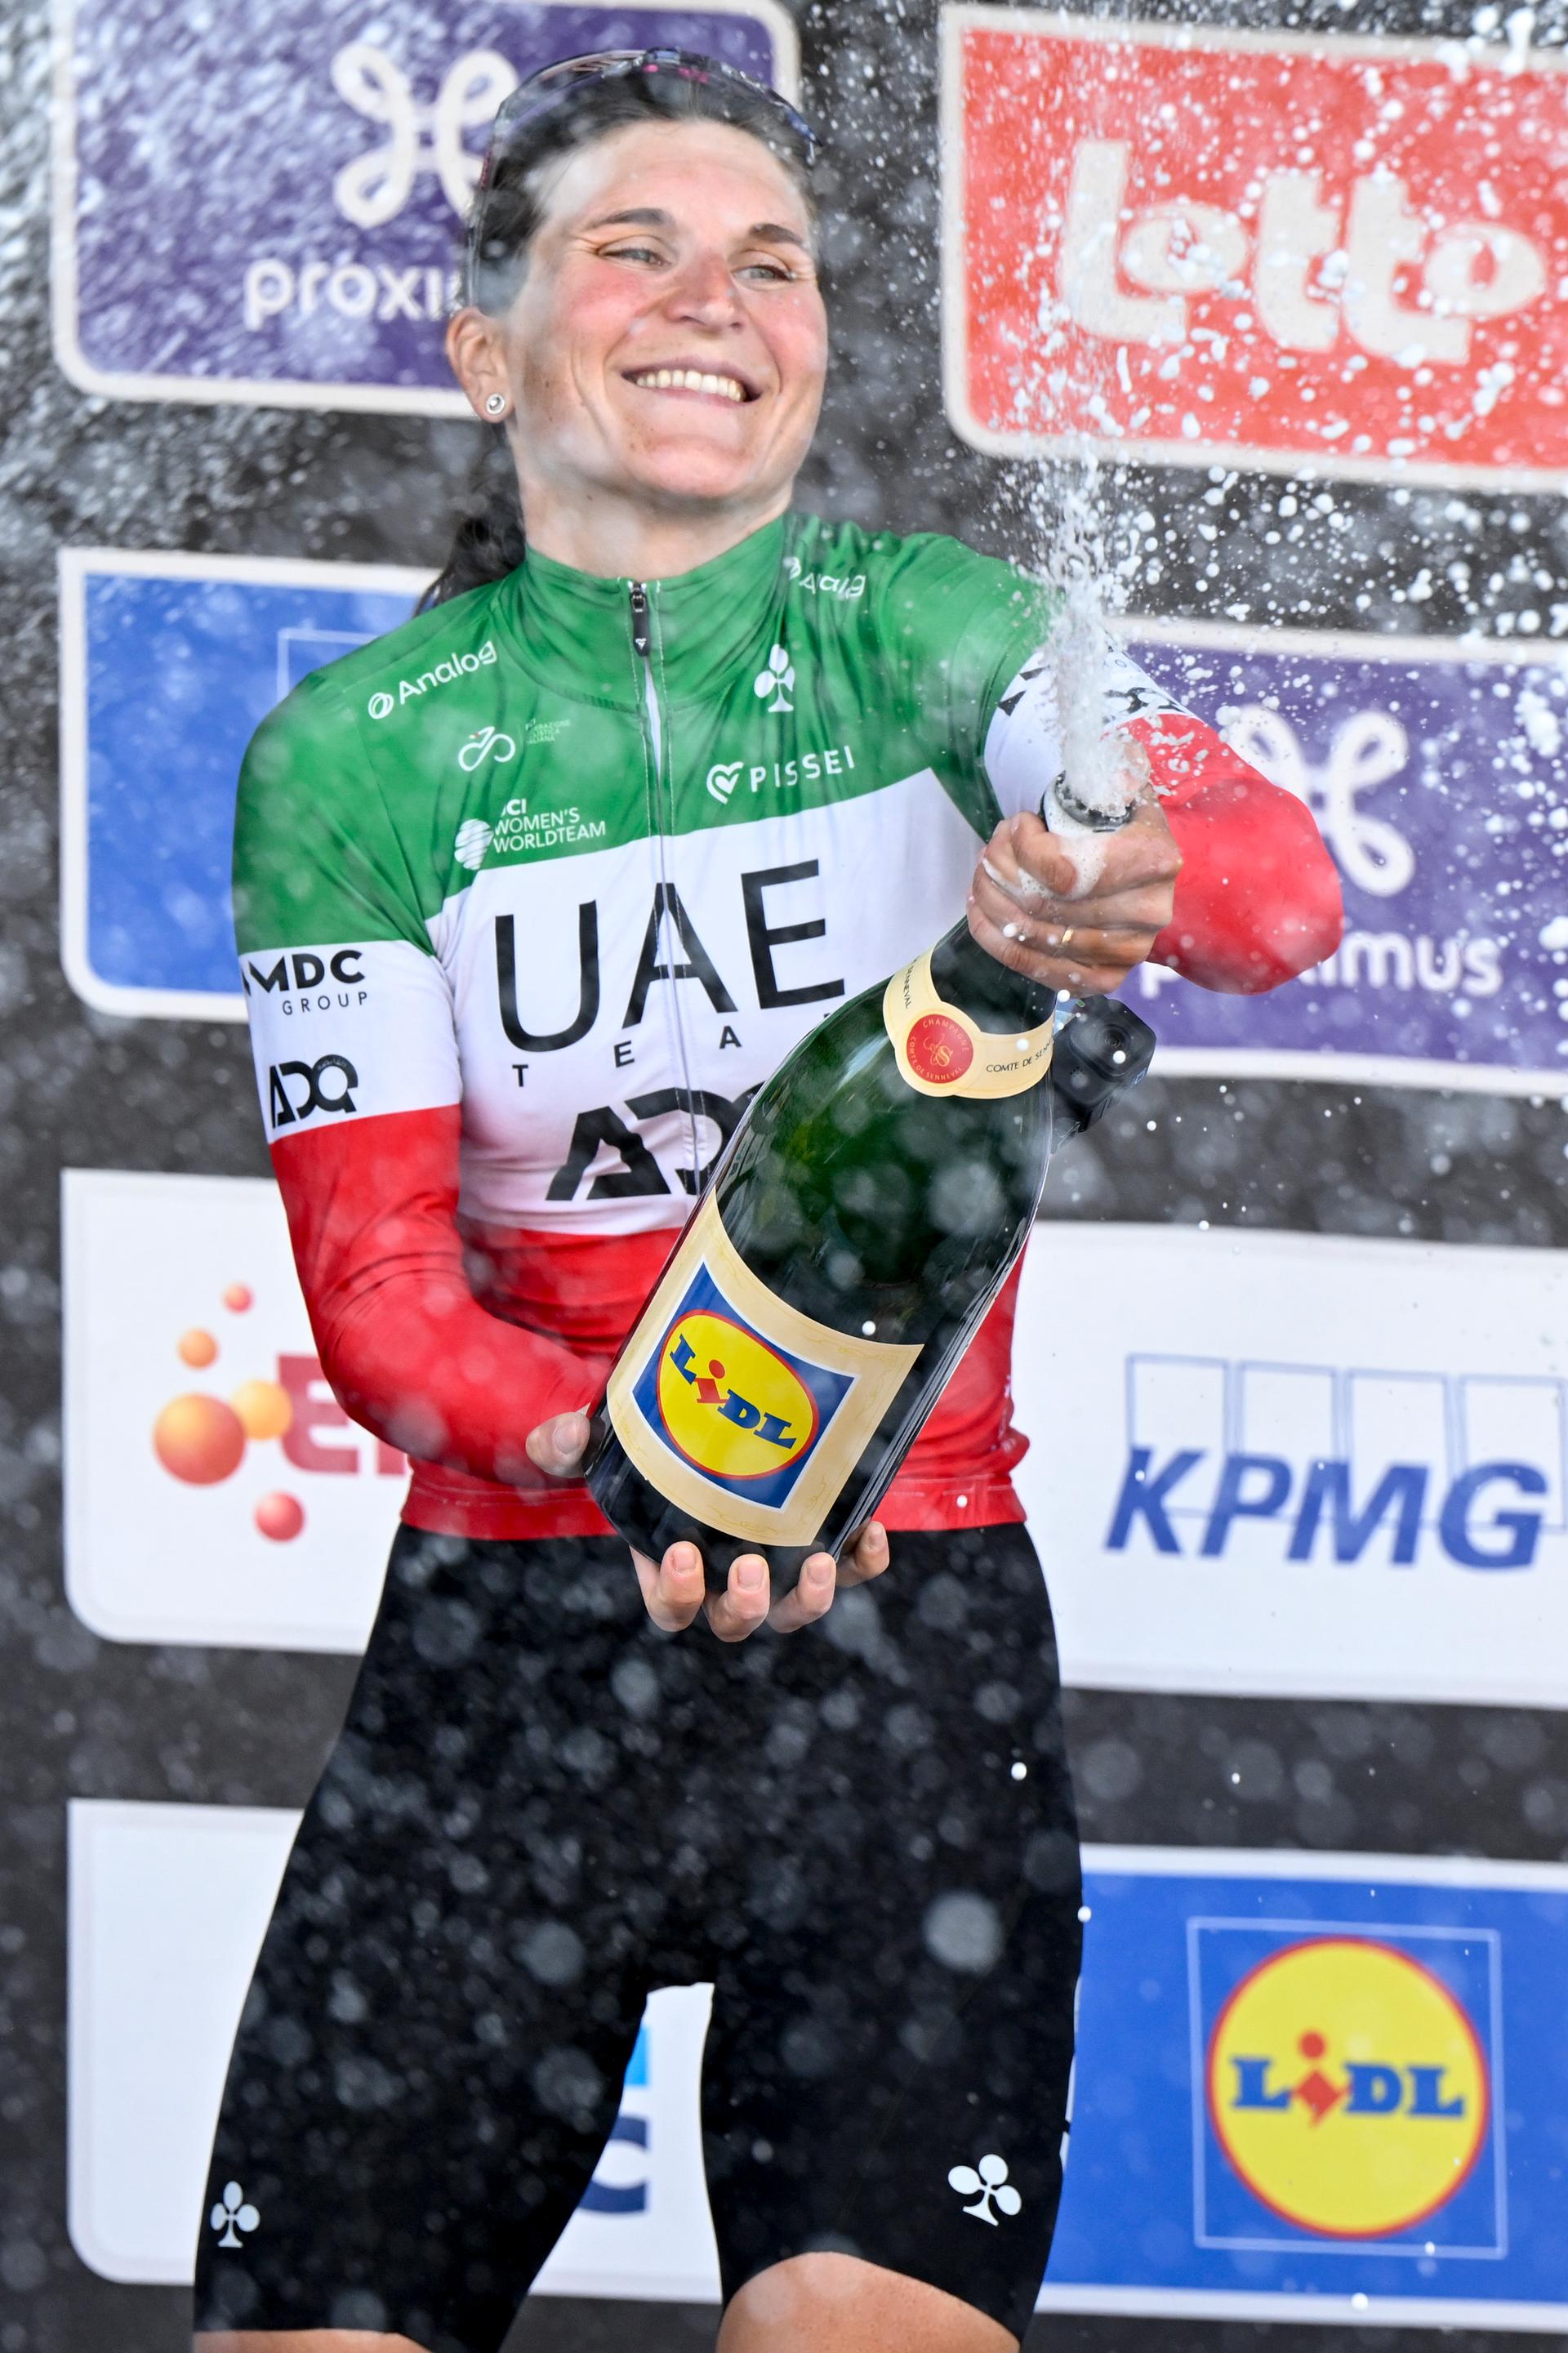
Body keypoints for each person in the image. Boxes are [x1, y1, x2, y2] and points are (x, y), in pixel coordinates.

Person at [194, 47, 1342, 2353]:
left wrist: (1124, 866)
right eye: (634, 243)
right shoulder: (357, 758)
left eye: (775, 261)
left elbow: (1279, 896)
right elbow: (391, 1308)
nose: (715, 297)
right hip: (512, 1676)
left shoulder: (928, 632)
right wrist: (629, 1458)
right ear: (487, 345)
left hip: (901, 1656)